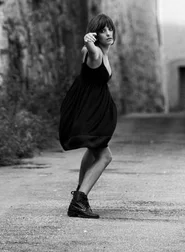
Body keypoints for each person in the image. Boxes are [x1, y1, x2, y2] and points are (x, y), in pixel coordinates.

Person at [59, 13, 118, 219]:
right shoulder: (96, 54)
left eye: (109, 28)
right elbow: (91, 53)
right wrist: (89, 42)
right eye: (102, 30)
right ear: (95, 34)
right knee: (105, 156)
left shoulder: (101, 51)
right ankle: (79, 200)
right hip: (90, 113)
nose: (108, 33)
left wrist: (91, 45)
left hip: (90, 111)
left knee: (93, 152)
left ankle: (79, 193)